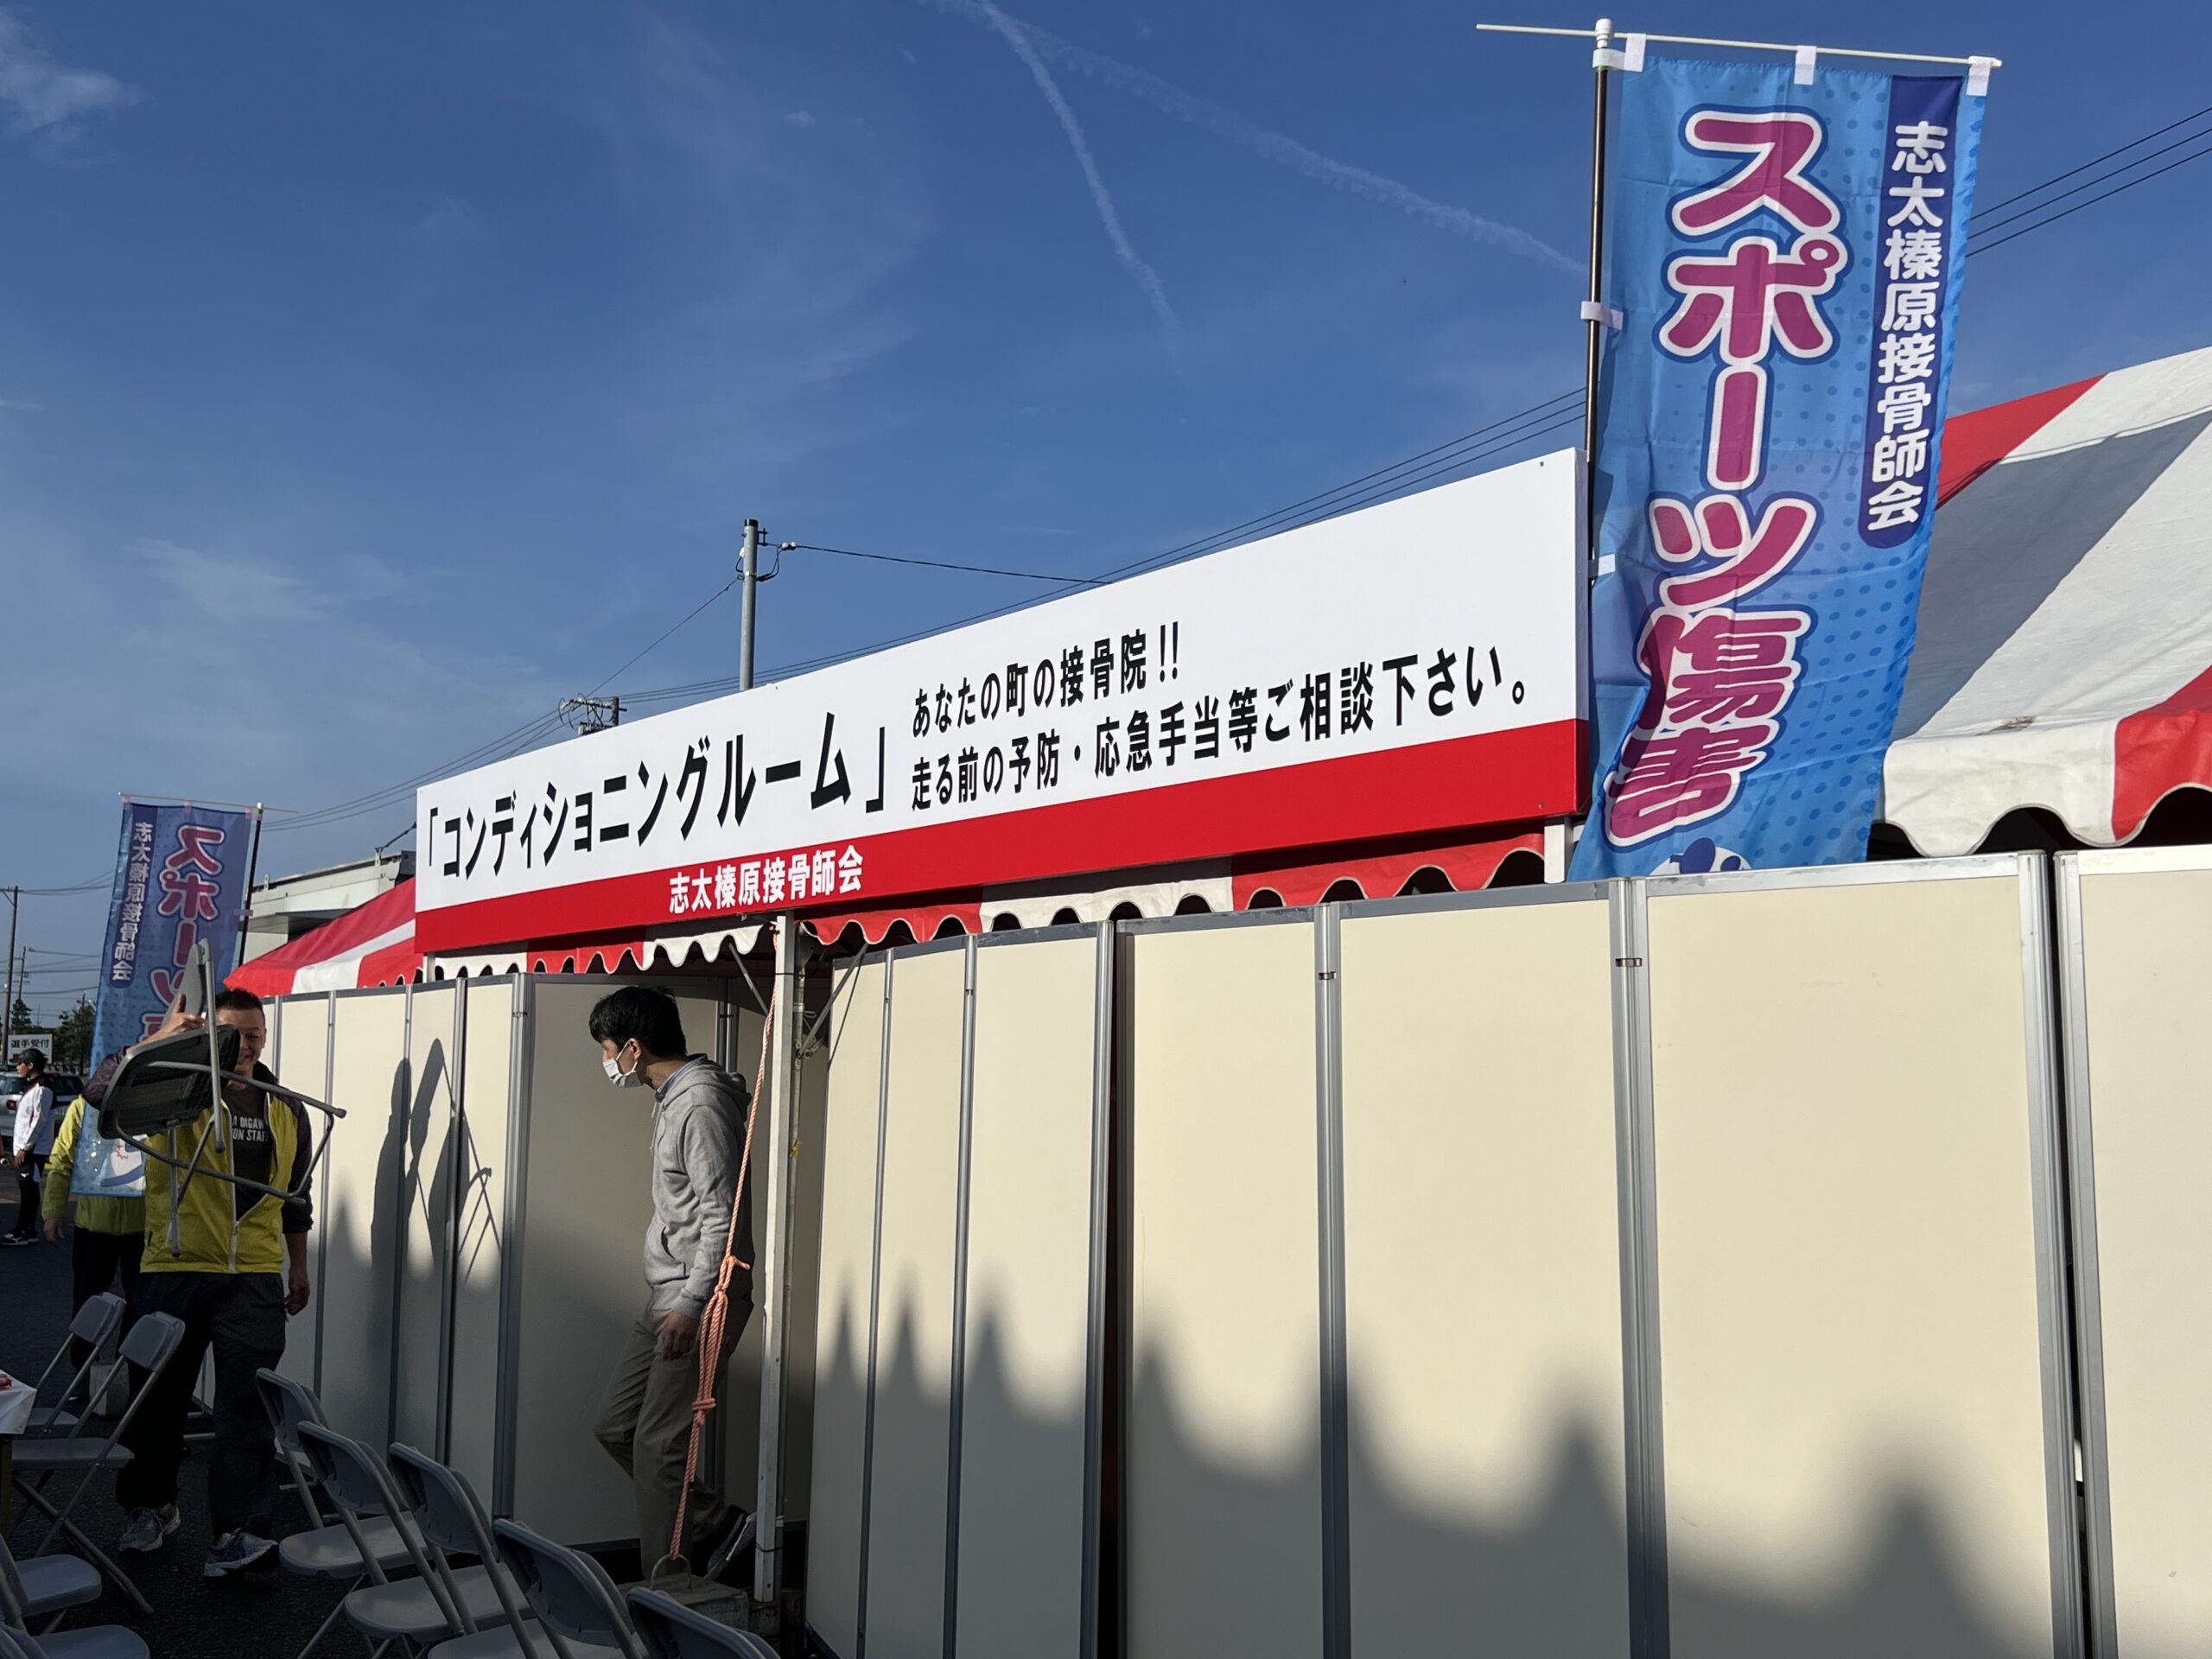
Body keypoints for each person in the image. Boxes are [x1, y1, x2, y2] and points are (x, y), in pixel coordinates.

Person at [85, 988, 314, 1579]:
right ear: (209, 1036)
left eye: (255, 1035)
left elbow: (296, 1198)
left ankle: (241, 1532)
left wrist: (298, 1265)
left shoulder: (287, 1107)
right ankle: (151, 1506)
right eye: (232, 1035)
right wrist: (157, 1043)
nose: (245, 1046)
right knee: (158, 1402)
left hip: (254, 1275)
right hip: (175, 1266)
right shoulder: (178, 1090)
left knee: (246, 1408)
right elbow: (100, 1093)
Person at [588, 985, 755, 1581]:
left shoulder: (699, 1104)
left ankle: (664, 1593)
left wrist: (691, 1303)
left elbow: (721, 1217)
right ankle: (719, 1524)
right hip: (668, 1295)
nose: (606, 1061)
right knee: (617, 1427)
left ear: (633, 1048)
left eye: (607, 1048)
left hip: (696, 1298)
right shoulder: (671, 1097)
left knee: (659, 1448)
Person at [41, 1087, 149, 1376]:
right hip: (94, 1224)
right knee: (89, 1305)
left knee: (141, 1305)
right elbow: (61, 1158)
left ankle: (130, 1375)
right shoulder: (84, 1106)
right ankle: (83, 1375)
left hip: (145, 1226)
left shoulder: (152, 1099)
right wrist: (52, 1212)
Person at [7, 1050, 56, 1244]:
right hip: (25, 1149)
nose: (18, 1067)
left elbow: (38, 1121)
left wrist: (26, 1147)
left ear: (30, 1065)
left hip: (33, 1150)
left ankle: (26, 1231)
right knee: (25, 1189)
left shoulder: (43, 1088)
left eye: (20, 1063)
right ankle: (24, 1229)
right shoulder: (32, 1086)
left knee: (29, 1190)